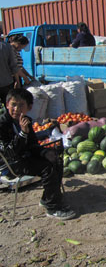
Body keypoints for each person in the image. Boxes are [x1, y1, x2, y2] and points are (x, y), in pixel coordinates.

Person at [0, 88, 76, 220]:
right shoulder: (2, 124)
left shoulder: (26, 121)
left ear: (29, 107)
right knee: (48, 168)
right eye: (13, 104)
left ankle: (48, 198)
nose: (17, 109)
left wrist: (44, 152)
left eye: (21, 105)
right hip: (10, 165)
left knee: (56, 160)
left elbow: (33, 145)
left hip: (25, 158)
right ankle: (53, 208)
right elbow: (9, 153)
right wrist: (23, 133)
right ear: (7, 105)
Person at [0, 39, 20, 106]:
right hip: (6, 83)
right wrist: (17, 81)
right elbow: (14, 66)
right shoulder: (7, 47)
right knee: (9, 105)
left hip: (6, 82)